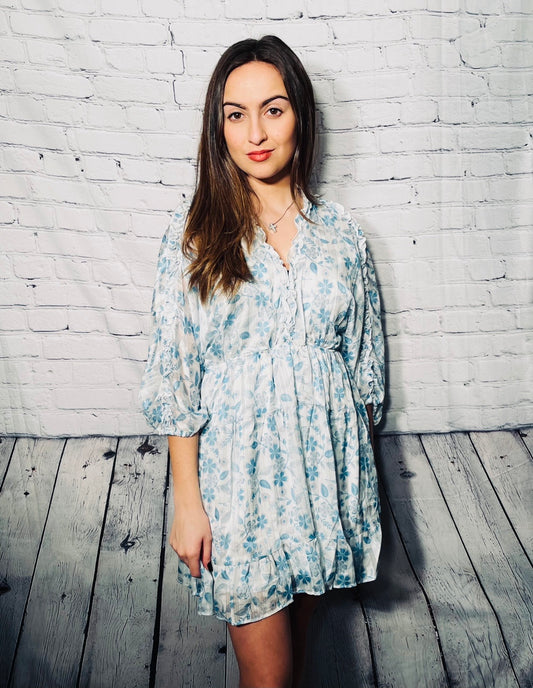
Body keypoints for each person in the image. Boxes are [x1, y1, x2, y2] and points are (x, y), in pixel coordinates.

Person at [140, 35, 385, 688]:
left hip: (322, 484)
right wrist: (188, 505)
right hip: (238, 490)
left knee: (292, 672)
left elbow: (364, 373)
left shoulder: (342, 235)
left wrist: (350, 486)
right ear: (217, 128)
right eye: (235, 114)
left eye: (272, 110)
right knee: (268, 679)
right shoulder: (193, 234)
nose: (254, 132)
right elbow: (176, 379)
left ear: (299, 114)